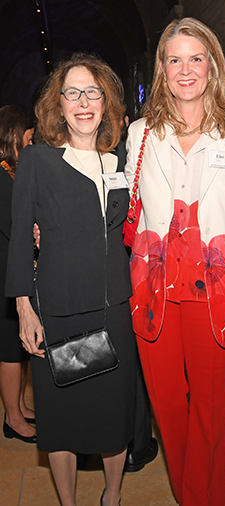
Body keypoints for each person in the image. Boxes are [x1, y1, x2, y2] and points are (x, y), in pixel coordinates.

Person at [124, 17, 225, 506]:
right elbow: (122, 204)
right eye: (174, 59)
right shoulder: (140, 134)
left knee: (209, 411)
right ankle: (196, 497)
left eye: (195, 58)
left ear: (212, 65)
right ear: (161, 68)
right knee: (168, 408)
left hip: (215, 291)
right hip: (153, 290)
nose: (185, 70)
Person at [5, 53, 136, 506]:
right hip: (57, 311)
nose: (84, 102)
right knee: (60, 420)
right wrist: (24, 308)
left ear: (106, 103)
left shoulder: (118, 160)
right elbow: (20, 236)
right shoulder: (39, 161)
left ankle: (113, 496)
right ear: (57, 105)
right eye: (73, 93)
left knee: (114, 415)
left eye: (93, 92)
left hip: (115, 309)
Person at [0, 105, 36, 444]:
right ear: (13, 137)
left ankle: (19, 405)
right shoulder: (1, 176)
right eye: (27, 139)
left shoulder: (9, 171)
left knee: (18, 348)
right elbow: (15, 227)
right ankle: (12, 418)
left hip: (10, 268)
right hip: (4, 274)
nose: (30, 144)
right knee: (10, 351)